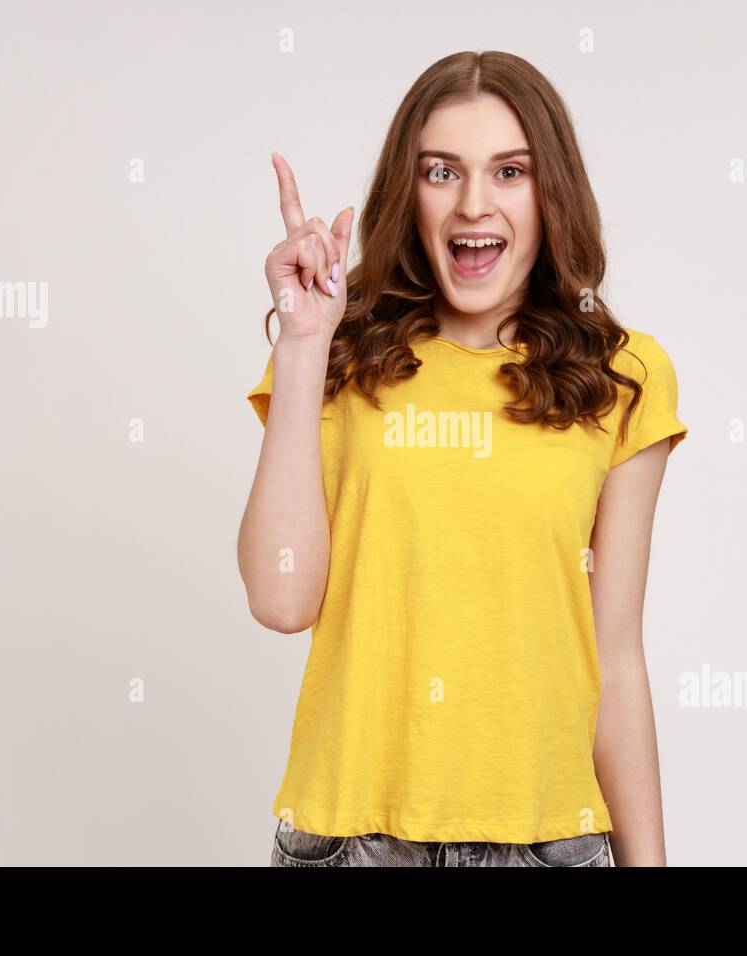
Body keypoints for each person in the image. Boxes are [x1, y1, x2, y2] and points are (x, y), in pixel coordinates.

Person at [238, 50, 688, 867]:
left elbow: (615, 659)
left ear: (551, 193)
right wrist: (305, 345)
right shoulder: (336, 357)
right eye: (441, 171)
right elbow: (280, 597)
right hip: (350, 843)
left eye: (509, 172)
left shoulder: (621, 377)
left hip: (547, 844)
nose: (472, 203)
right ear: (406, 195)